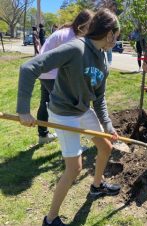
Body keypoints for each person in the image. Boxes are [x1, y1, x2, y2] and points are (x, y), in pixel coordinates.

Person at [17, 8, 121, 226]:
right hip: (63, 112)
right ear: (109, 32)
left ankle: (96, 186)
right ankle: (50, 219)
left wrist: (108, 126)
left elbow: (99, 99)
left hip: (82, 110)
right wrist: (23, 110)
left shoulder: (103, 59)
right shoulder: (75, 48)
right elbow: (29, 68)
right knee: (74, 168)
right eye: (117, 34)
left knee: (106, 147)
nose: (117, 39)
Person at [36, 9, 95, 145]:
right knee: (69, 107)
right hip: (52, 73)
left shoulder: (66, 32)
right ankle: (73, 144)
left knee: (44, 102)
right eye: (90, 26)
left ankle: (43, 136)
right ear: (83, 24)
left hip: (44, 71)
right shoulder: (71, 37)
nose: (91, 30)